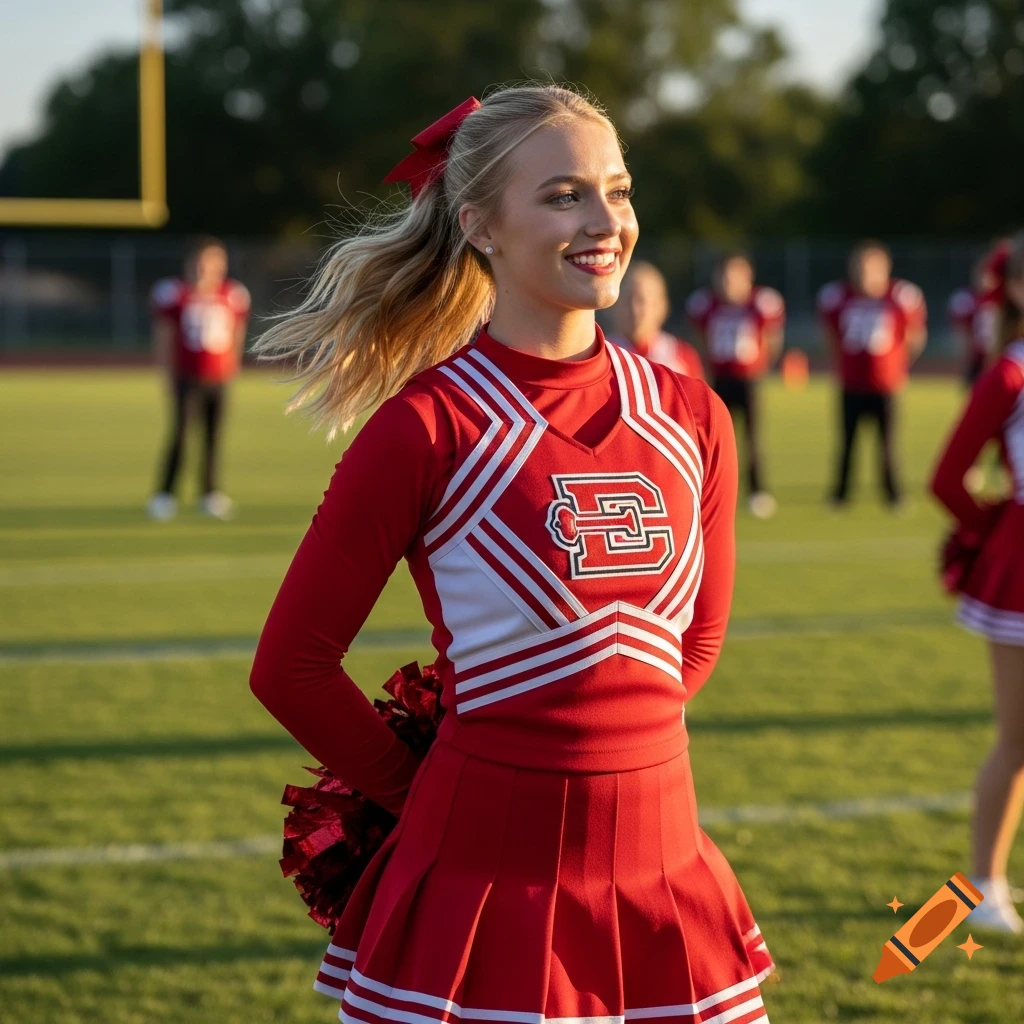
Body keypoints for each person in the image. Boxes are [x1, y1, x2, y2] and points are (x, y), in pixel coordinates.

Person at [249, 85, 774, 1022]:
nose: (605, 221)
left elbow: (691, 651)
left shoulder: (694, 415)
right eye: (564, 195)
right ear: (480, 224)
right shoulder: (426, 425)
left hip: (667, 875)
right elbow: (290, 665)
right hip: (482, 888)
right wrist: (431, 798)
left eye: (617, 190)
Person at [931, 242, 1024, 933]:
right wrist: (991, 528)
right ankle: (986, 885)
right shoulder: (1009, 377)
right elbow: (947, 478)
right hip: (1020, 574)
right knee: (1018, 739)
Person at [817, 240, 927, 510]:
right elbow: (831, 337)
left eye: (872, 267)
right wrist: (839, 366)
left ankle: (893, 493)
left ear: (885, 268)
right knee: (847, 442)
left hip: (886, 384)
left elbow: (915, 336)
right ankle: (840, 494)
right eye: (861, 267)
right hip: (852, 382)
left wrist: (900, 367)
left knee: (888, 444)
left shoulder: (900, 296)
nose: (866, 274)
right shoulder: (838, 296)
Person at [146, 237, 250, 521]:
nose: (209, 268)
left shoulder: (233, 294)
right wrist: (166, 374)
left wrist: (232, 368)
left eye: (215, 262)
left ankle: (210, 493)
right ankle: (164, 494)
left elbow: (236, 334)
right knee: (179, 436)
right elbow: (164, 337)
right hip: (186, 376)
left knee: (213, 438)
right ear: (192, 263)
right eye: (203, 262)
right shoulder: (176, 293)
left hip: (218, 377)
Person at [685, 251, 784, 520]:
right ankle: (708, 491)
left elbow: (772, 340)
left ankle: (757, 490)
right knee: (713, 440)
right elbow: (700, 338)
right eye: (726, 275)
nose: (730, 281)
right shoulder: (706, 304)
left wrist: (761, 365)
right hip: (720, 379)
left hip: (749, 379)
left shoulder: (761, 303)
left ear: (748, 277)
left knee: (752, 439)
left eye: (736, 275)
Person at [608, 260, 704, 379]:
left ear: (662, 306)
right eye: (627, 299)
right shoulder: (599, 356)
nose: (635, 310)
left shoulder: (682, 356)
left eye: (642, 300)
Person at [948, 240, 1009, 388]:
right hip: (978, 360)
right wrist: (966, 365)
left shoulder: (1007, 299)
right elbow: (963, 338)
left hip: (1004, 358)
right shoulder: (966, 300)